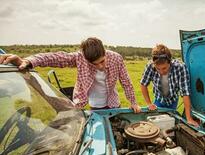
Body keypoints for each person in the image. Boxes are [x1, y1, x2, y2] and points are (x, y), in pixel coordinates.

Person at [0, 37, 141, 112]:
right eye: (95, 64)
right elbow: (55, 57)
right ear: (86, 59)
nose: (100, 66)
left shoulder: (116, 58)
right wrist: (29, 60)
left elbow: (126, 81)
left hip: (112, 103)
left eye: (102, 61)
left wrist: (133, 102)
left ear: (105, 52)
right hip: (93, 104)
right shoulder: (80, 57)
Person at [140, 44, 199, 126]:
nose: (161, 72)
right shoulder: (150, 66)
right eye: (158, 69)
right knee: (156, 123)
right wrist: (149, 103)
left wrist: (189, 118)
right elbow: (143, 84)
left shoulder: (180, 67)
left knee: (169, 122)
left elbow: (185, 93)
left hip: (172, 100)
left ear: (170, 62)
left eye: (164, 68)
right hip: (158, 99)